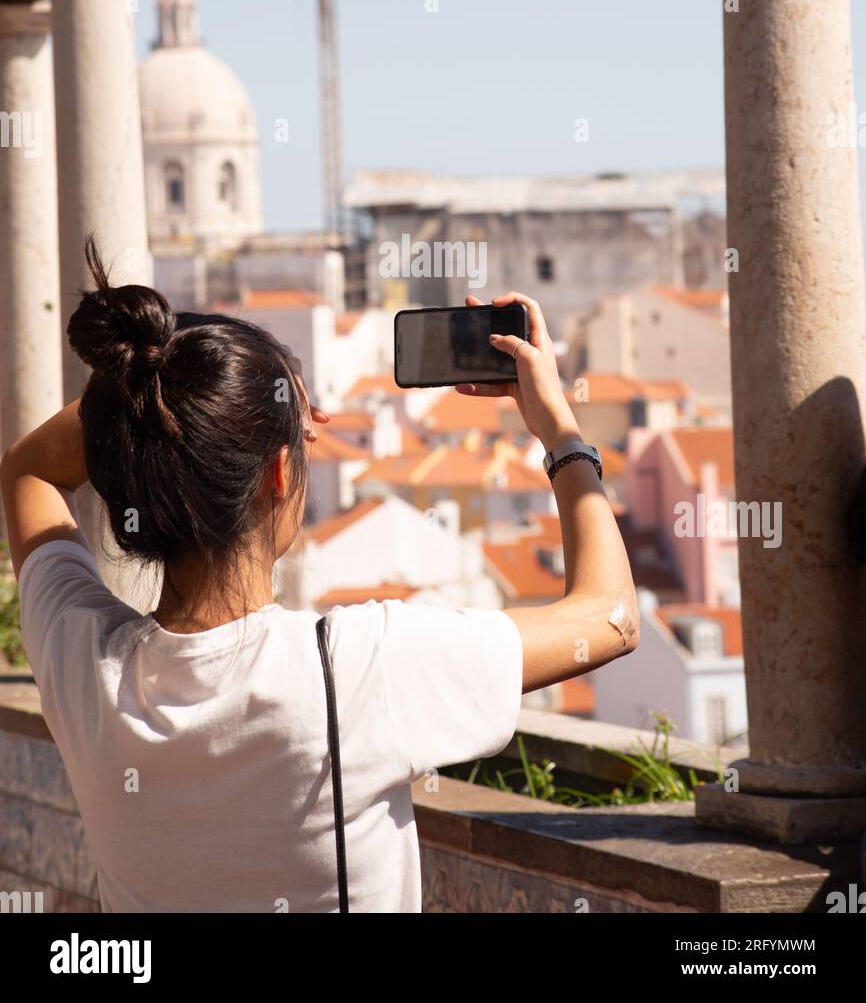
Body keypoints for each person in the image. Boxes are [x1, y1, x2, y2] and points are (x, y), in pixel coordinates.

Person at [0, 237, 639, 913]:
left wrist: (176, 393)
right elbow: (613, 618)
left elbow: (28, 468)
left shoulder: (84, 664)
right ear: (281, 475)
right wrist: (562, 434)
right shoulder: (359, 668)